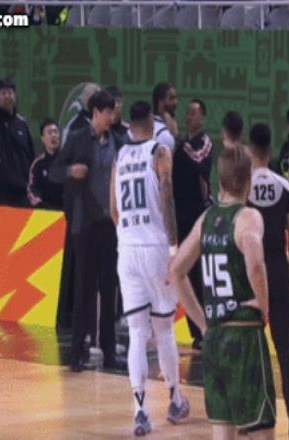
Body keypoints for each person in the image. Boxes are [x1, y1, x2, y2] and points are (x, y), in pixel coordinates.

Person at [169, 146, 276, 440]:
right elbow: (255, 263)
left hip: (214, 339)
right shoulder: (248, 217)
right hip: (243, 336)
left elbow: (175, 271)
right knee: (261, 430)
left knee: (223, 432)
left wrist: (202, 323)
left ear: (220, 179)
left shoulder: (206, 219)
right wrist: (264, 305)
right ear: (248, 180)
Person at [110, 101, 189, 436]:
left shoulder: (120, 156)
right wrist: (173, 247)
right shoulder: (160, 151)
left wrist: (128, 236)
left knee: (137, 334)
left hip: (127, 249)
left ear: (130, 126)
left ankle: (140, 411)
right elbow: (167, 198)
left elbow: (113, 209)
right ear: (152, 124)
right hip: (155, 247)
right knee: (164, 329)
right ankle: (175, 400)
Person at [50, 89, 124, 372]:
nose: (112, 117)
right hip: (85, 225)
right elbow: (54, 171)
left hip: (110, 226)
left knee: (109, 288)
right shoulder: (78, 139)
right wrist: (71, 171)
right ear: (96, 112)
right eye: (108, 113)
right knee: (84, 289)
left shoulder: (118, 142)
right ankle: (77, 350)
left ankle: (108, 349)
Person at [247, 123, 289, 436]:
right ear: (270, 151)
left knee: (251, 350)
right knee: (285, 351)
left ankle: (255, 417)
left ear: (250, 150)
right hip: (278, 269)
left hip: (252, 273)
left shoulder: (243, 186)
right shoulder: (284, 186)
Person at [173, 99, 213, 350]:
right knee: (184, 274)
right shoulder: (179, 146)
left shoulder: (204, 143)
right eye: (187, 113)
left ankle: (206, 328)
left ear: (203, 118)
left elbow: (199, 162)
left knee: (200, 274)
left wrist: (179, 144)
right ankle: (196, 332)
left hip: (199, 216)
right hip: (180, 216)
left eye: (194, 113)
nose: (189, 117)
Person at [0, 51, 35, 206]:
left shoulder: (22, 123)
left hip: (22, 191)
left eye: (10, 93)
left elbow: (30, 155)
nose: (7, 96)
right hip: (0, 190)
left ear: (15, 95)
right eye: (3, 93)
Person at [27, 118, 64, 210]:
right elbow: (32, 190)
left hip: (68, 212)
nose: (53, 135)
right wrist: (41, 205)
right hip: (46, 213)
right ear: (43, 138)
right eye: (50, 132)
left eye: (56, 132)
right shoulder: (37, 165)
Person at [151, 82, 178, 151]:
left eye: (175, 98)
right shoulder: (163, 135)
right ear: (160, 103)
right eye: (171, 98)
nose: (175, 102)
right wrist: (173, 136)